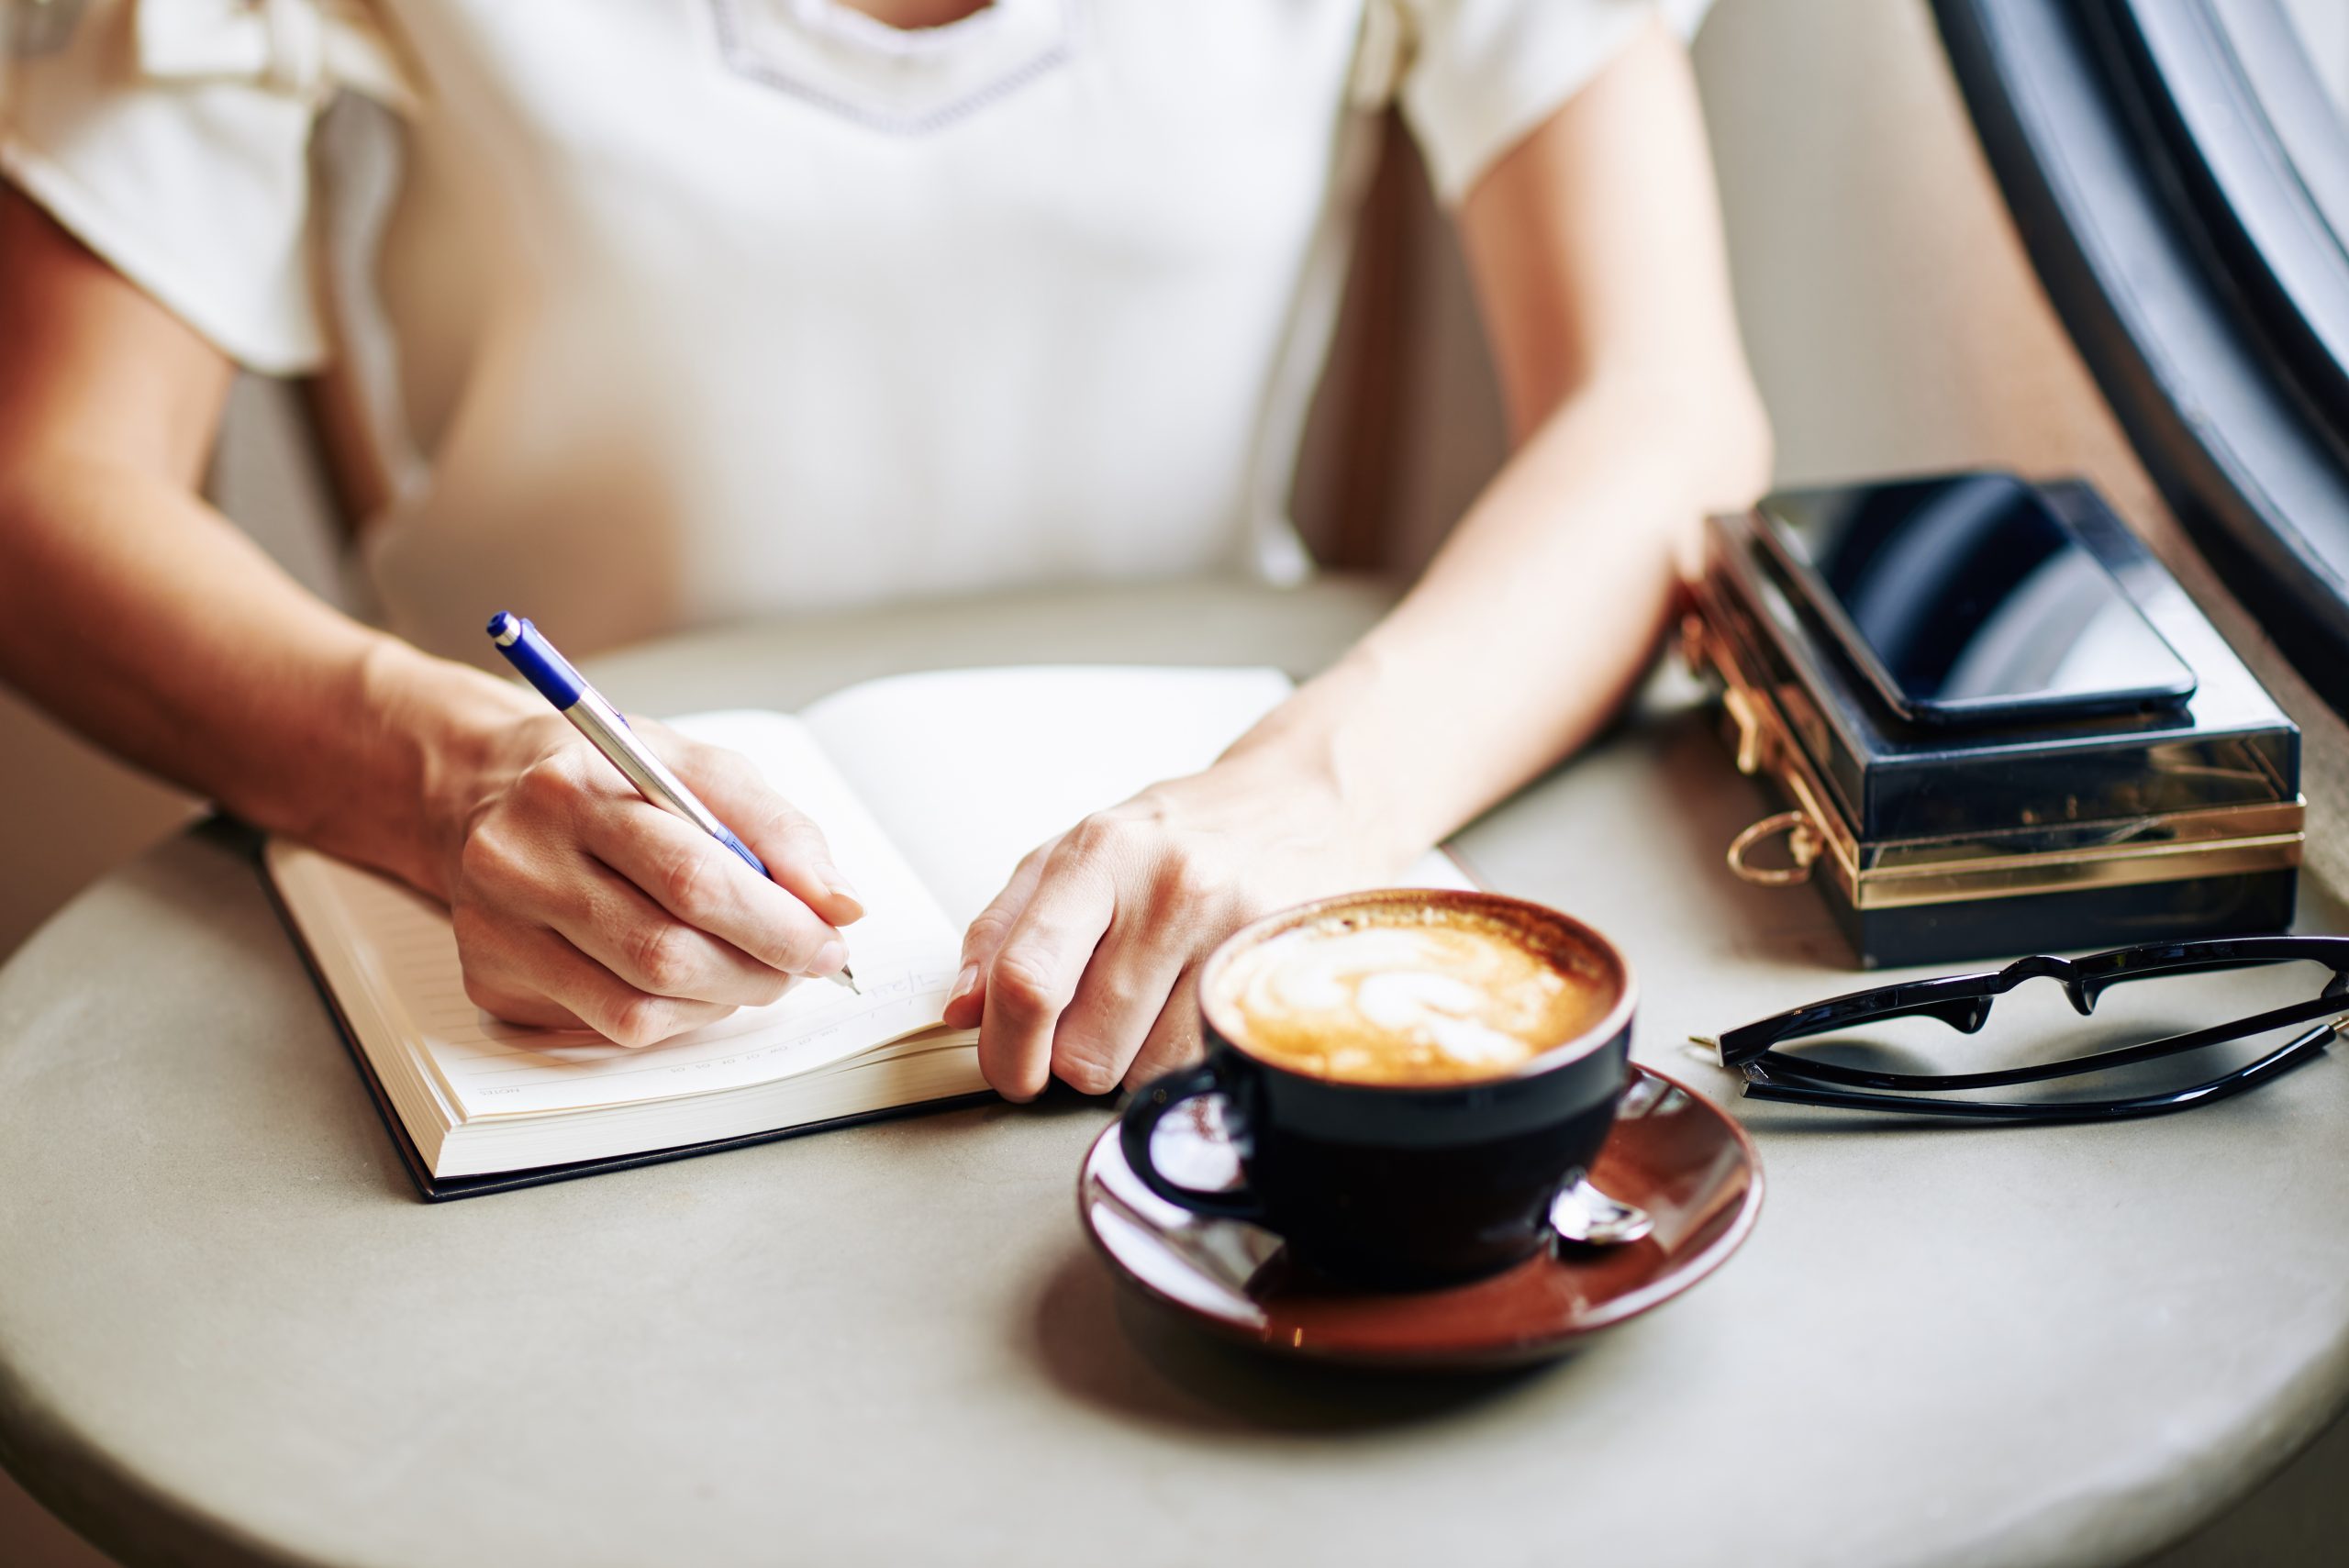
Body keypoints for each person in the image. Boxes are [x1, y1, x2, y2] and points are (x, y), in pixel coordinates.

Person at [0, 0, 1768, 1100]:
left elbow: (1665, 410)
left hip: (1207, 848)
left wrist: (1321, 783)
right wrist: (444, 771)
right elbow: (47, 481)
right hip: (550, 926)